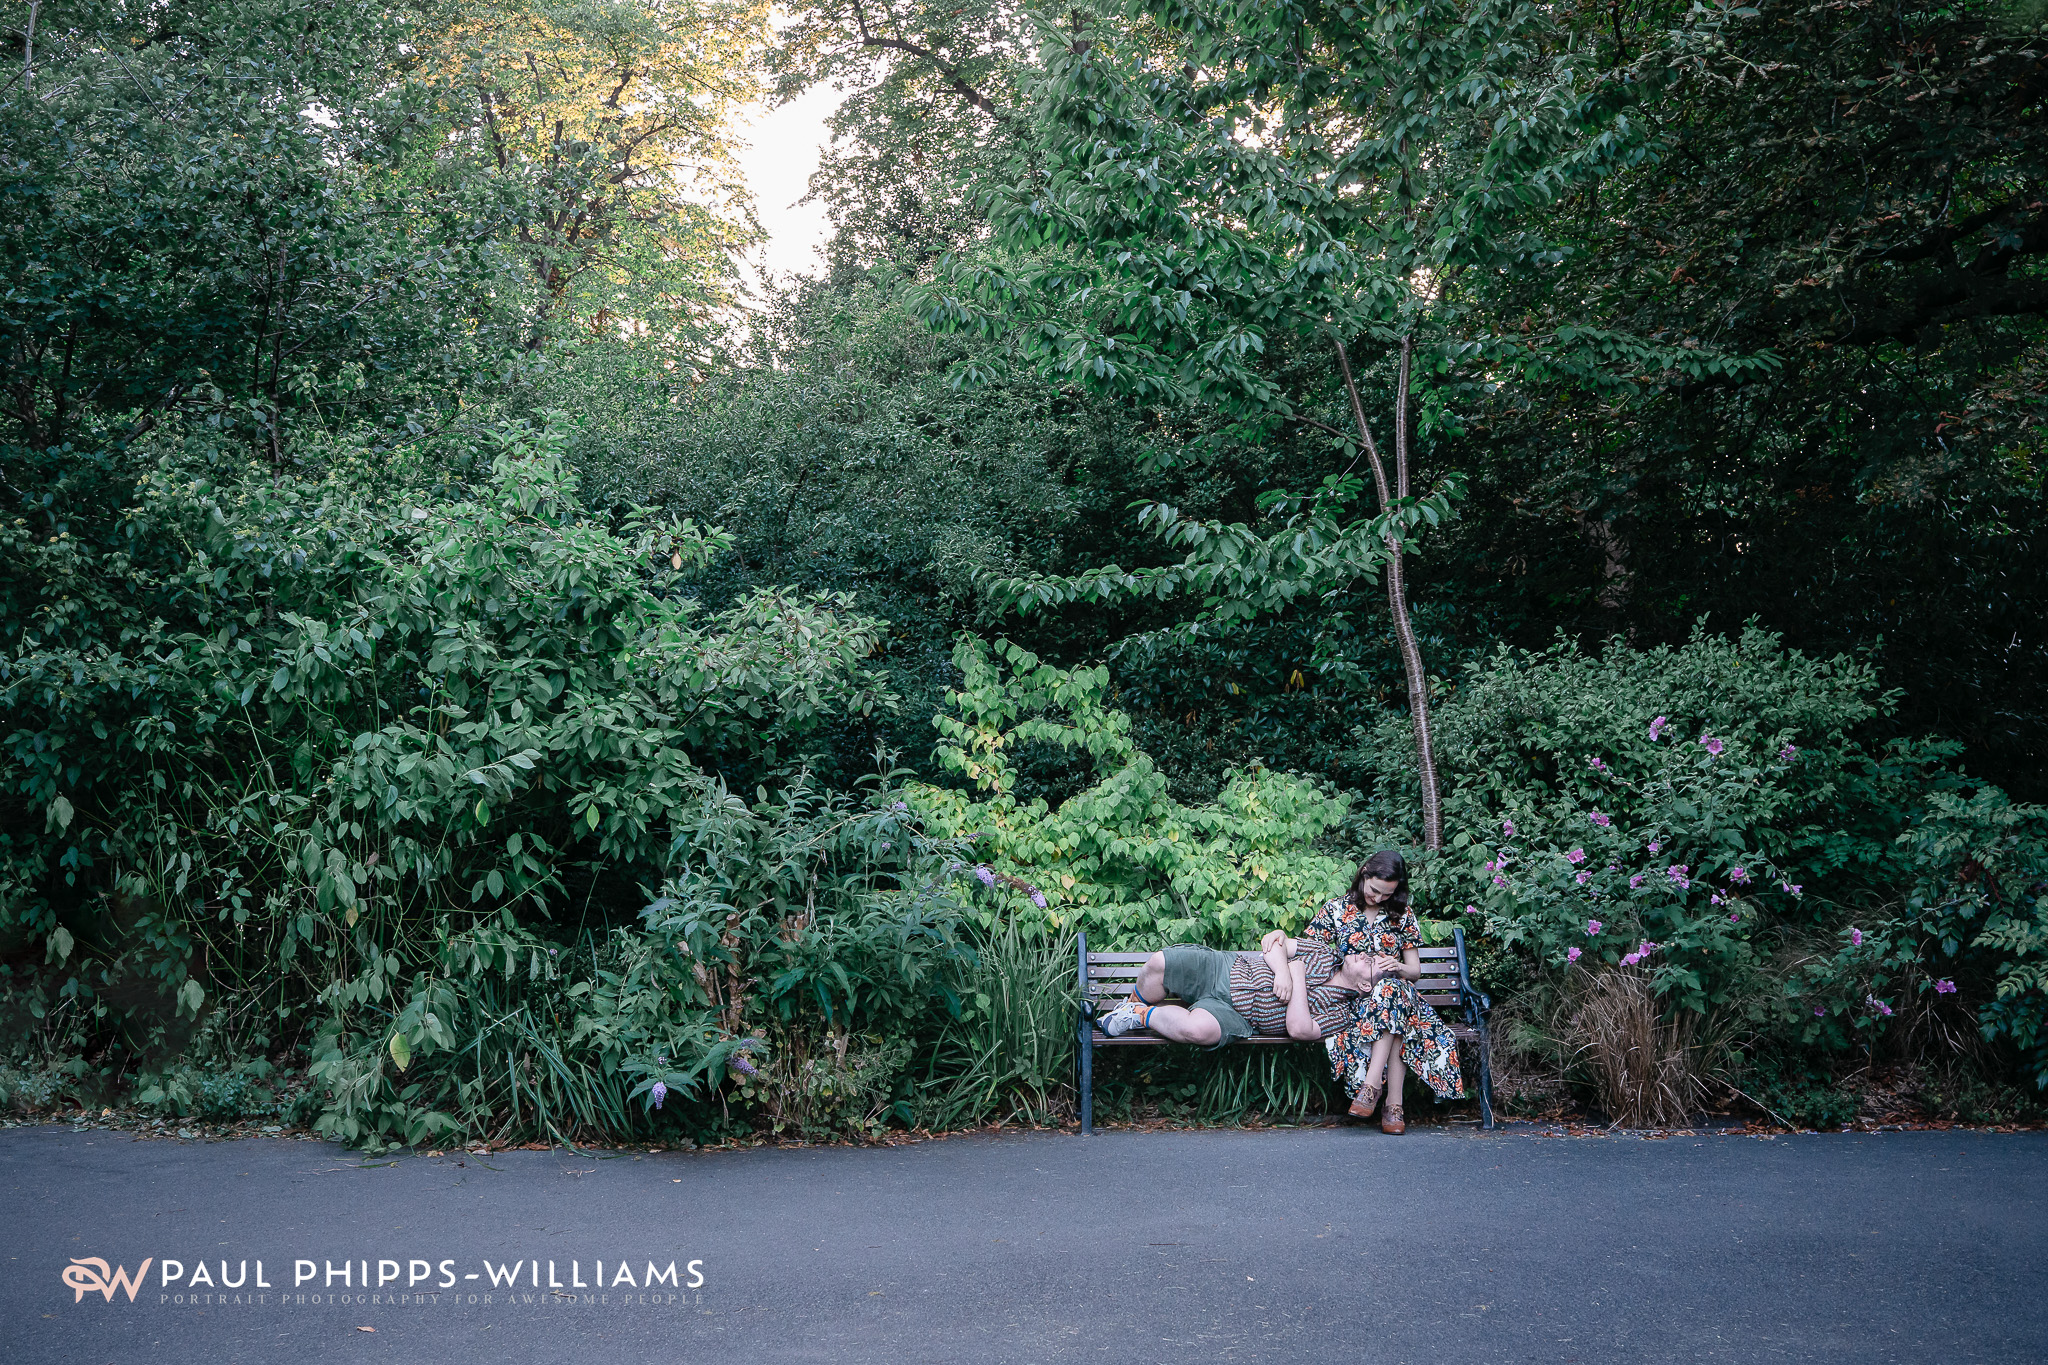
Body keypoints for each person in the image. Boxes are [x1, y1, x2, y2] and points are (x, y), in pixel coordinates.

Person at [1289, 850, 1465, 1134]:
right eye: (1375, 891)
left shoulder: (1402, 915)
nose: (1379, 898)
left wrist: (1398, 966)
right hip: (1358, 1004)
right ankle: (1393, 1107)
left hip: (1400, 997)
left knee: (1390, 988)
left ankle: (1371, 1088)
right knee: (1393, 1007)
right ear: (1364, 873)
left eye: (1387, 894)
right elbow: (1310, 951)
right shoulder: (1336, 910)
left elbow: (1415, 972)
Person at [1093, 936, 1390, 1047]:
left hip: (1239, 1015)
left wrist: (1297, 976)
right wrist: (1285, 971)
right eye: (1369, 953)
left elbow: (1299, 1029)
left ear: (1365, 986)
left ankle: (1138, 1014)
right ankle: (1131, 1004)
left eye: (1372, 963)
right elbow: (1273, 941)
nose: (1365, 955)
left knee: (1198, 1031)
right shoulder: (1324, 953)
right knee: (1160, 962)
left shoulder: (1343, 1012)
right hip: (1224, 968)